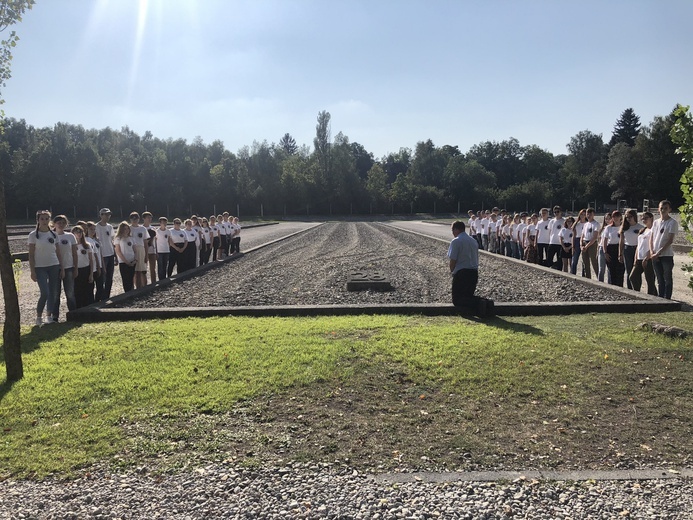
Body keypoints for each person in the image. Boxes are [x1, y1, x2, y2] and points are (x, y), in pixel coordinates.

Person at [28, 210, 62, 326]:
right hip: (40, 267)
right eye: (42, 219)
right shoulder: (33, 235)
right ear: (38, 220)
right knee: (45, 293)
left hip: (54, 265)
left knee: (53, 292)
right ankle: (38, 317)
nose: (44, 221)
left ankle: (49, 316)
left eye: (47, 218)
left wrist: (61, 268)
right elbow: (31, 255)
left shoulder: (54, 234)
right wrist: (32, 271)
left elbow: (58, 252)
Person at [649, 200, 678, 299]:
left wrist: (659, 252)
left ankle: (667, 298)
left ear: (669, 209)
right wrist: (652, 251)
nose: (663, 210)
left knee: (667, 278)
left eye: (665, 208)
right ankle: (660, 298)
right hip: (655, 255)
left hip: (666, 255)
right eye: (661, 208)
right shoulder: (656, 222)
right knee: (659, 278)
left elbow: (670, 240)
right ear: (658, 209)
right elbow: (651, 238)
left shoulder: (672, 222)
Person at [447, 220, 479, 306]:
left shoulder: (456, 241)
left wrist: (452, 271)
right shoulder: (473, 241)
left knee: (457, 299)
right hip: (474, 272)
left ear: (456, 229)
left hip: (461, 272)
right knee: (468, 295)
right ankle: (481, 305)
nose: (452, 233)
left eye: (452, 230)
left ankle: (481, 304)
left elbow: (453, 259)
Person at [53, 215, 78, 319]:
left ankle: (73, 314)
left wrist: (75, 268)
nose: (61, 224)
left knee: (70, 293)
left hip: (68, 267)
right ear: (54, 224)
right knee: (55, 294)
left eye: (63, 222)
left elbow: (74, 253)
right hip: (54, 268)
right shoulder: (51, 235)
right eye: (59, 222)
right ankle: (54, 317)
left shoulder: (70, 236)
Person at [629, 212, 657, 295]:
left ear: (651, 218)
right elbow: (639, 245)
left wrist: (647, 257)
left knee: (650, 280)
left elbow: (653, 245)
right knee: (632, 277)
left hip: (648, 258)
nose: (644, 220)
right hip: (639, 258)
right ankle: (637, 293)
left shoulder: (654, 230)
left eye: (646, 218)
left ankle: (652, 296)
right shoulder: (643, 230)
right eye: (643, 218)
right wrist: (635, 258)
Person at [619, 209, 644, 290]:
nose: (629, 219)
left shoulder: (640, 227)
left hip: (637, 249)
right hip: (627, 249)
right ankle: (630, 289)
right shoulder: (624, 228)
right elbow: (621, 241)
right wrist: (620, 253)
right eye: (627, 217)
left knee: (637, 271)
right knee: (628, 271)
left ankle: (637, 289)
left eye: (630, 217)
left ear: (634, 216)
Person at [72, 225, 95, 308]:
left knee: (87, 291)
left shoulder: (87, 245)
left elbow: (91, 260)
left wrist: (91, 274)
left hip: (86, 269)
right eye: (76, 232)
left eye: (80, 232)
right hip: (76, 270)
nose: (79, 234)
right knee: (77, 291)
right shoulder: (72, 246)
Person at [95, 208, 115, 301]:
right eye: (106, 215)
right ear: (101, 215)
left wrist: (114, 254)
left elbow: (111, 240)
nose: (107, 217)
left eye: (109, 215)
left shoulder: (110, 226)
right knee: (102, 277)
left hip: (110, 253)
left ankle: (106, 296)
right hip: (102, 254)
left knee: (109, 278)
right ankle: (100, 297)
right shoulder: (96, 227)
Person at [602, 211, 625, 287]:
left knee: (620, 270)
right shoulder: (608, 228)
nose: (616, 218)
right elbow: (604, 241)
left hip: (620, 247)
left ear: (620, 217)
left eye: (617, 216)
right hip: (611, 248)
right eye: (614, 216)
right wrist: (605, 252)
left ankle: (620, 287)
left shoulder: (624, 227)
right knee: (612, 270)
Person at [114, 221, 136, 292]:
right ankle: (127, 293)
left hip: (132, 260)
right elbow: (118, 251)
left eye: (127, 229)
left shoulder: (131, 238)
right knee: (125, 279)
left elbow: (135, 250)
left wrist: (135, 259)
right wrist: (126, 262)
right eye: (124, 229)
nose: (126, 230)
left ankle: (132, 292)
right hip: (123, 262)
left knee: (131, 278)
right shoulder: (118, 238)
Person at [128, 212, 148, 289]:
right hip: (131, 250)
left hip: (141, 249)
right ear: (130, 219)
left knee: (142, 270)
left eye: (136, 218)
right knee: (134, 271)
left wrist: (146, 255)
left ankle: (143, 287)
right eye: (132, 219)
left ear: (139, 219)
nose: (134, 220)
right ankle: (136, 288)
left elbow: (145, 242)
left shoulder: (143, 229)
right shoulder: (128, 228)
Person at [580, 208, 600, 279]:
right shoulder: (585, 224)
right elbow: (582, 235)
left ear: (593, 215)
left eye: (590, 214)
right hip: (584, 242)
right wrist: (581, 245)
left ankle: (599, 278)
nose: (588, 215)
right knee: (585, 263)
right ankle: (587, 278)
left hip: (592, 243)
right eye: (587, 214)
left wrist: (587, 246)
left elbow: (595, 237)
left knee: (594, 262)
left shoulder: (596, 224)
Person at [142, 211, 157, 284]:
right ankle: (144, 284)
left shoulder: (153, 228)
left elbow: (156, 240)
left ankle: (153, 283)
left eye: (150, 218)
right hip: (144, 251)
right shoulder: (141, 228)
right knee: (144, 268)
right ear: (144, 218)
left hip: (152, 250)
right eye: (148, 217)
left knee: (153, 268)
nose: (150, 219)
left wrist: (156, 251)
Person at [597, 213, 613, 283]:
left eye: (609, 218)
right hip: (601, 248)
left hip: (609, 248)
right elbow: (599, 241)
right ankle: (600, 283)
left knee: (609, 269)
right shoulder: (602, 229)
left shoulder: (612, 228)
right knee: (601, 269)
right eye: (606, 219)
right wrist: (597, 251)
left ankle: (609, 284)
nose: (607, 220)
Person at [571, 209, 587, 275]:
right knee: (574, 260)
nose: (582, 216)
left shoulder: (587, 223)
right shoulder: (576, 224)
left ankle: (584, 275)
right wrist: (573, 246)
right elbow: (573, 236)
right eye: (581, 214)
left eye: (584, 214)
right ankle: (573, 273)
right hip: (577, 240)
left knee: (584, 260)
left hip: (585, 240)